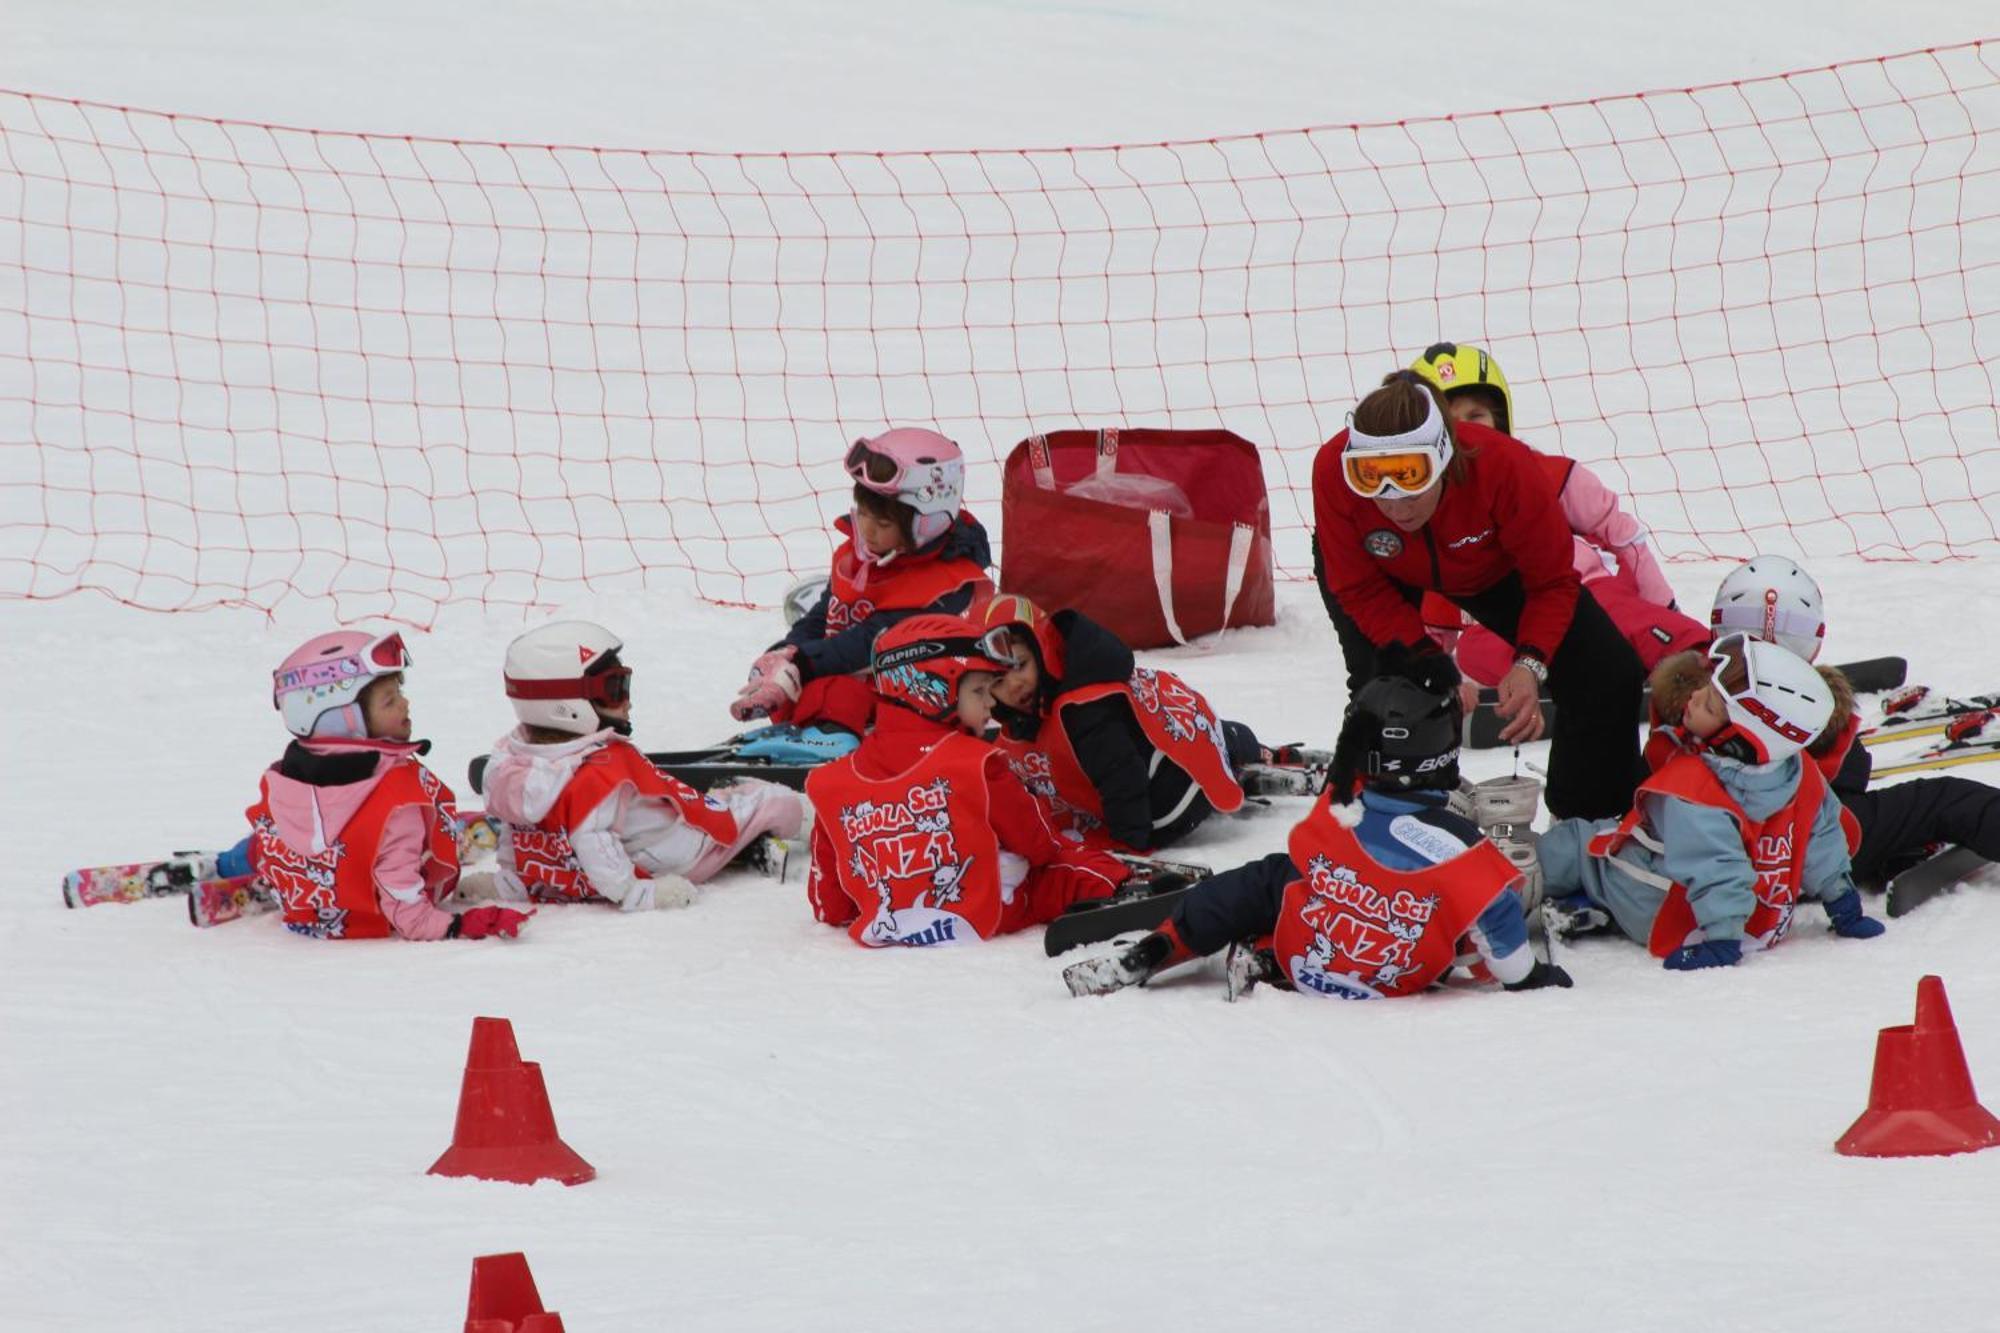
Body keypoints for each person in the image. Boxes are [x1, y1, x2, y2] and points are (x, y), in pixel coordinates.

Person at [1063, 674, 1572, 999]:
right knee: (1464, 911)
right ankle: (1265, 963)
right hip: (1396, 974)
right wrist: (1529, 977)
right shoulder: (1462, 843)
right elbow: (1502, 930)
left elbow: (1314, 847)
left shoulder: (1338, 803)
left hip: (1308, 940)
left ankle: (1168, 945)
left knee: (1265, 881)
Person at [1312, 370, 1648, 820]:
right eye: (1369, 478)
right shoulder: (1331, 468)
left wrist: (1530, 663)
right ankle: (1384, 820)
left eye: (1411, 476)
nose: (1393, 504)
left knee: (1608, 674)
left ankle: (1587, 826)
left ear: (1444, 456)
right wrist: (1426, 659)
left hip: (1489, 563)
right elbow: (1358, 587)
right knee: (1390, 690)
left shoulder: (1506, 467)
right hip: (1380, 570)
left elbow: (1551, 582)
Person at [1537, 632, 1885, 969]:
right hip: (1761, 915)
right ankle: (1598, 906)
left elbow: (1717, 867)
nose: (1694, 697)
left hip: (1676, 914)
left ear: (1737, 743)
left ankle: (1513, 886)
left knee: (1582, 841)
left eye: (1709, 705)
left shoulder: (1693, 790)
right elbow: (1821, 838)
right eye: (1706, 688)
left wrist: (1721, 943)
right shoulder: (1800, 772)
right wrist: (1844, 906)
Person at [803, 614, 1129, 947]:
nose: (991, 702)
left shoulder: (832, 782)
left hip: (887, 922)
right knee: (1064, 866)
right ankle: (1126, 887)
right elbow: (1040, 845)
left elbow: (829, 906)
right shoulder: (975, 764)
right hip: (988, 912)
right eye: (979, 690)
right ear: (931, 691)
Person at [1406, 342, 1707, 699]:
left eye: (1477, 416)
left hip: (1583, 593)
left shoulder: (1546, 474)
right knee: (1475, 651)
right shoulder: (1429, 508)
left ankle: (1701, 665)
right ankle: (1574, 675)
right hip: (1503, 622)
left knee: (1625, 620)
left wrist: (1663, 606)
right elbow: (1436, 608)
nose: (1467, 431)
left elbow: (1622, 534)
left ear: (1500, 420)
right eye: (1451, 423)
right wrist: (1422, 681)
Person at [1710, 555, 2000, 888]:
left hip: (1702, 854)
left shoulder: (1690, 704)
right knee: (1947, 798)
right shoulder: (1817, 712)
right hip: (1805, 855)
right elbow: (1848, 776)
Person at [480, 621, 809, 911]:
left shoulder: (511, 763)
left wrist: (511, 879)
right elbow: (593, 841)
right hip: (678, 853)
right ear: (565, 706)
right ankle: (819, 826)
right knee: (770, 800)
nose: (628, 701)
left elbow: (518, 829)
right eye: (615, 689)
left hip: (591, 862)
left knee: (726, 797)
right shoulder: (600, 772)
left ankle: (739, 810)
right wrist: (638, 894)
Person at [248, 630, 529, 942]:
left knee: (262, 840)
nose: (404, 703)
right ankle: (462, 830)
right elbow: (408, 908)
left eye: (399, 692)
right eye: (390, 701)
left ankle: (242, 871)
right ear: (344, 720)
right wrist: (461, 925)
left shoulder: (285, 780)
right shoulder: (396, 801)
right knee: (422, 828)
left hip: (314, 900)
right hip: (372, 914)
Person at [730, 428, 994, 743]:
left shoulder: (947, 585)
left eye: (882, 524)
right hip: (848, 677)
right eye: (864, 514)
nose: (867, 530)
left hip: (913, 698)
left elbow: (873, 640)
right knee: (811, 690)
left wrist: (804, 663)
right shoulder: (863, 558)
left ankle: (830, 738)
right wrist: (785, 655)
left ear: (928, 522)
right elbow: (825, 612)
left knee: (838, 692)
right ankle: (809, 732)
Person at [979, 593, 1261, 852]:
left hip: (1162, 803)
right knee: (1218, 735)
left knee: (1226, 738)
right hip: (1158, 794)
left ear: (1044, 651)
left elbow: (1121, 775)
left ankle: (1248, 749)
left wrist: (1126, 847)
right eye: (999, 681)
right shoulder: (1036, 713)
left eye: (1020, 665)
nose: (1014, 685)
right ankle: (1237, 745)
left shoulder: (1083, 709)